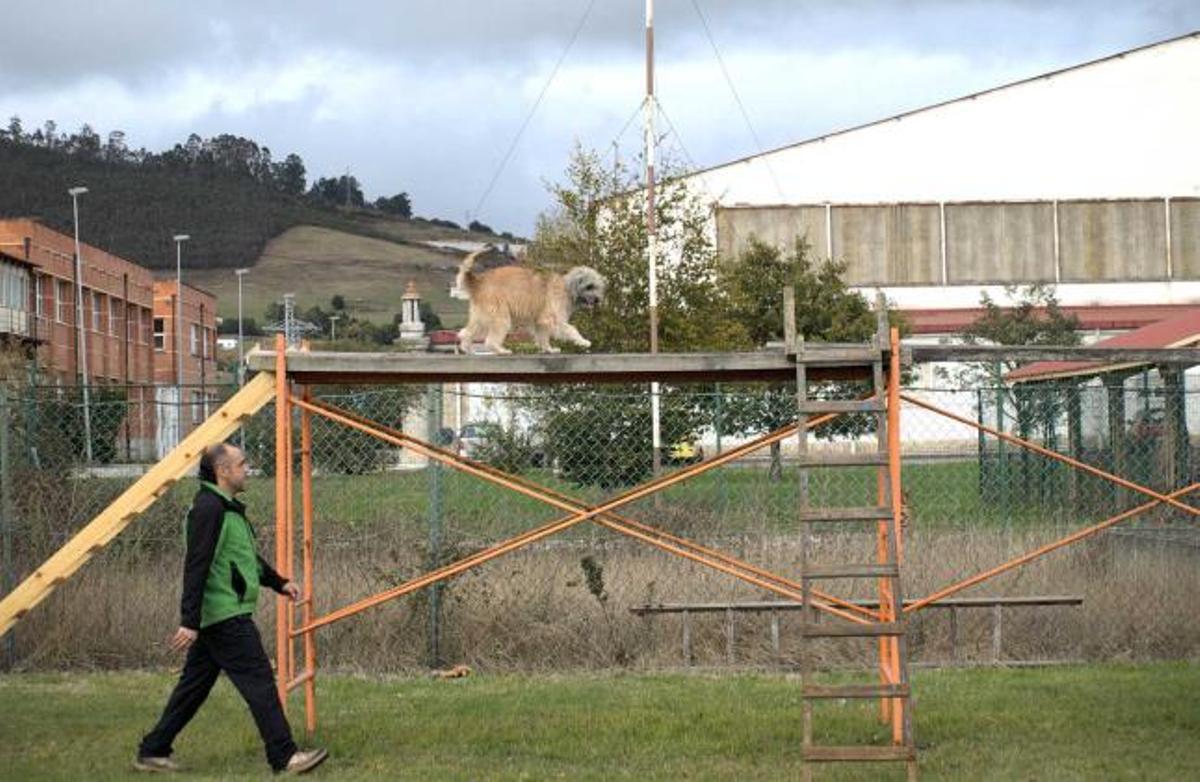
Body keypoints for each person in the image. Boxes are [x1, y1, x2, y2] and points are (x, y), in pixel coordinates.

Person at [135, 442, 328, 774]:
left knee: (193, 687)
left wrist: (279, 582)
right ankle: (285, 756)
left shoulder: (225, 508)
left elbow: (243, 558)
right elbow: (197, 564)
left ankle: (153, 750)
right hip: (224, 616)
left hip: (220, 615)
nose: (247, 468)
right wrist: (189, 621)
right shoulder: (208, 510)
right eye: (241, 463)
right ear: (222, 471)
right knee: (259, 682)